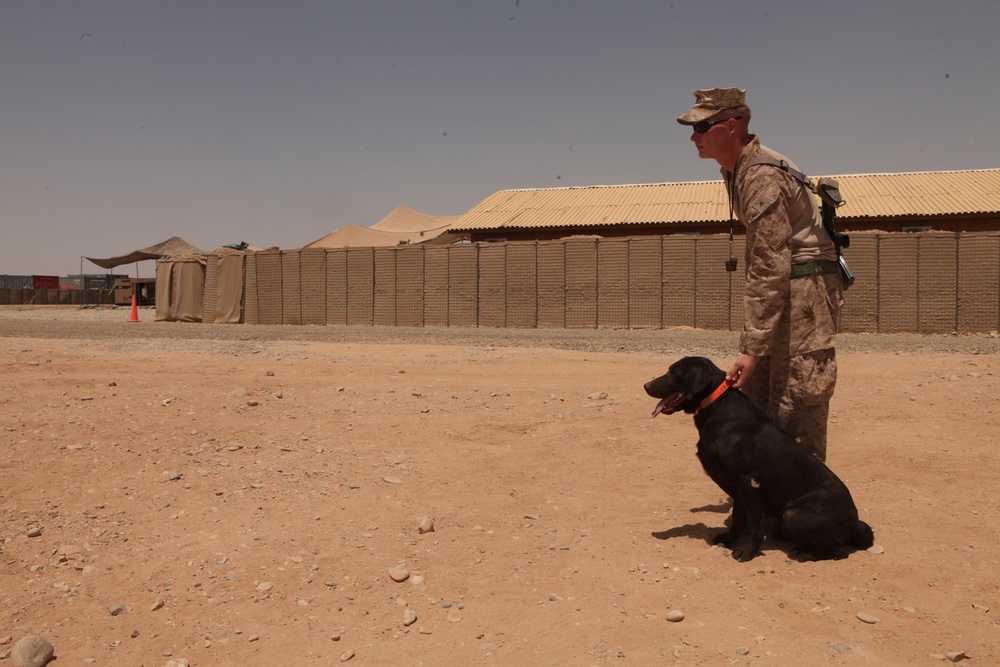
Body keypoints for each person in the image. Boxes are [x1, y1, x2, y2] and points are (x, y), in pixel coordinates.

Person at [676, 87, 843, 461]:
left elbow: (771, 264)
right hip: (788, 288)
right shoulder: (737, 170)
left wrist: (751, 348)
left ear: (732, 125)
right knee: (761, 400)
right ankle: (766, 505)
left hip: (804, 294)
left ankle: (804, 502)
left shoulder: (761, 176)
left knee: (797, 399)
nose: (693, 136)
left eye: (703, 126)